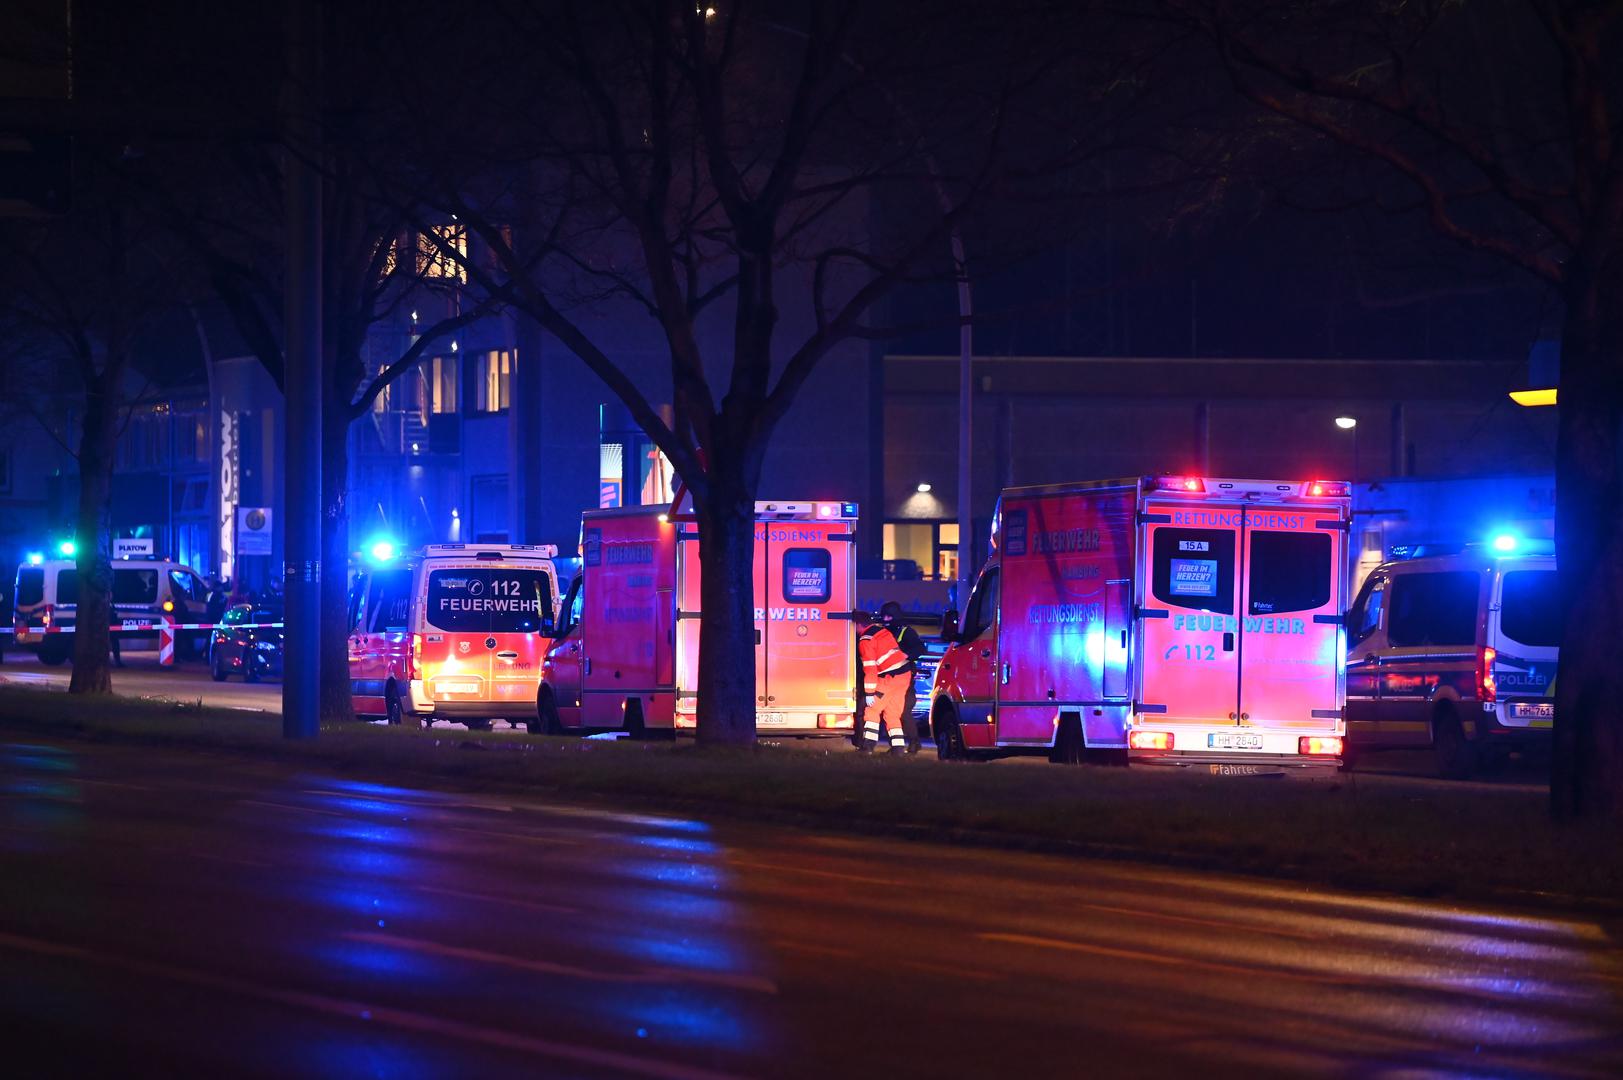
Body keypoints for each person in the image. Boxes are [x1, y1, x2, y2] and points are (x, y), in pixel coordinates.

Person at [855, 610, 915, 754]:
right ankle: (898, 748)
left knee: (872, 710)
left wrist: (869, 693)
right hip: (904, 675)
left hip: (888, 678)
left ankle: (868, 746)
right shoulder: (882, 631)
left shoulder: (865, 640)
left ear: (858, 625)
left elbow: (870, 669)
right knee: (892, 713)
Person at [880, 601, 927, 752]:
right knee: (889, 713)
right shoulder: (884, 633)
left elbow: (920, 648)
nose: (886, 619)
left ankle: (914, 742)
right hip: (887, 680)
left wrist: (905, 655)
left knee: (904, 712)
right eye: (883, 616)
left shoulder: (906, 632)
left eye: (889, 616)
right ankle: (896, 745)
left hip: (904, 681)